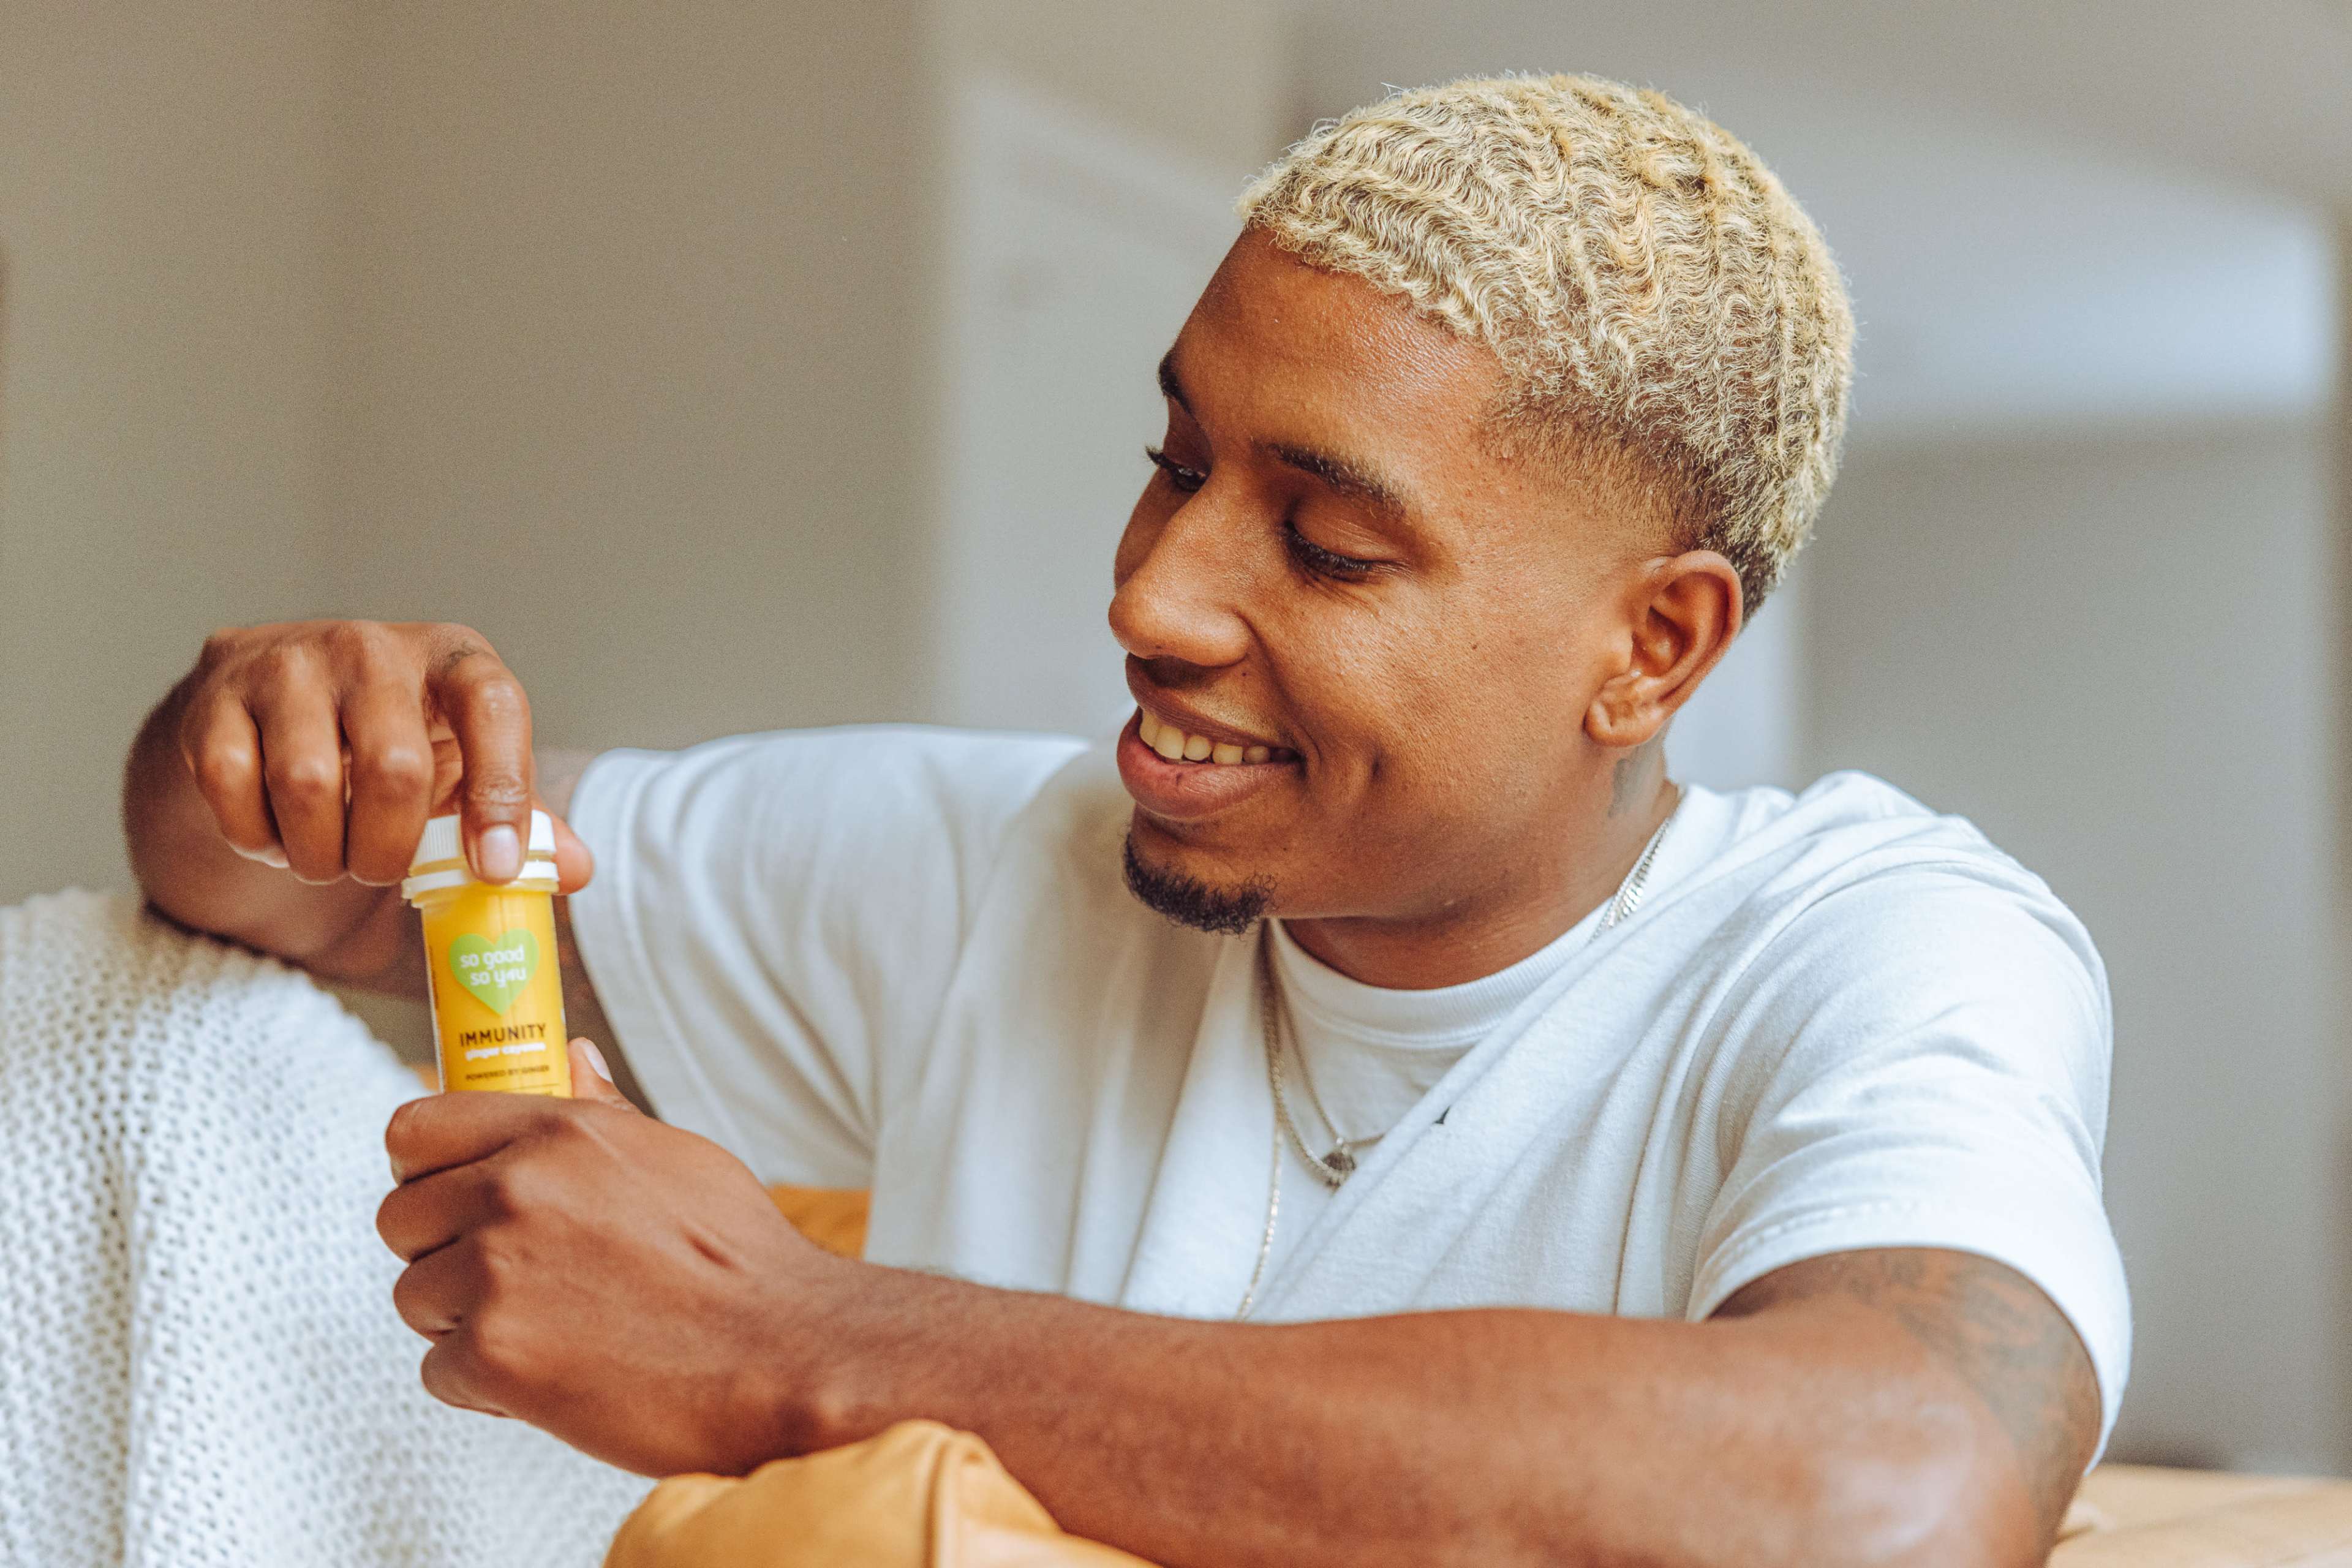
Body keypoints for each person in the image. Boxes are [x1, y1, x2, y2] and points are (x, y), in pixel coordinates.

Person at [124, 74, 2127, 1567]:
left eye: (1328, 547)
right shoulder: (991, 863)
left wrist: (795, 1337)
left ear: (1655, 646)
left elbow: (1889, 1492)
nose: (1151, 598)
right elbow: (313, 896)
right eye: (1171, 464)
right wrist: (259, 737)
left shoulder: (1871, 946)